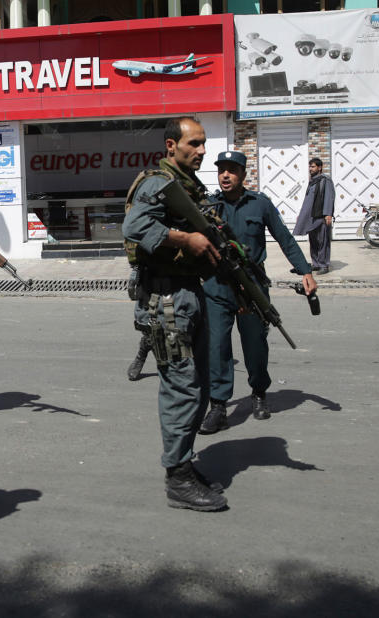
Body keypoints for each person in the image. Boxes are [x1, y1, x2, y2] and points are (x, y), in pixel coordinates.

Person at [122, 117, 227, 512]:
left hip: (187, 293)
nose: (201, 151)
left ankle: (184, 464)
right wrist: (187, 238)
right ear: (171, 145)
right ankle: (177, 479)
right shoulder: (155, 183)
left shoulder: (188, 186)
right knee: (182, 387)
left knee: (196, 385)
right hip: (166, 298)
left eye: (203, 144)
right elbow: (134, 226)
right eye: (194, 144)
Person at [199, 151, 317, 434]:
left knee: (255, 346)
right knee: (217, 348)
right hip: (217, 287)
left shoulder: (260, 203)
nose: (225, 175)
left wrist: (305, 270)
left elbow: (284, 238)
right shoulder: (208, 207)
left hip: (251, 288)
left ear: (243, 174)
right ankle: (218, 406)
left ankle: (259, 393)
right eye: (221, 170)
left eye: (231, 170)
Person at [293, 157, 335, 275]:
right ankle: (316, 263)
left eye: (313, 167)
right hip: (310, 217)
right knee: (313, 241)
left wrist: (328, 214)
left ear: (320, 167)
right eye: (309, 167)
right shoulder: (313, 181)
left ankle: (324, 265)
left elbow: (329, 197)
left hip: (321, 215)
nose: (310, 169)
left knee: (323, 241)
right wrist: (302, 215)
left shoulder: (325, 180)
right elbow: (307, 200)